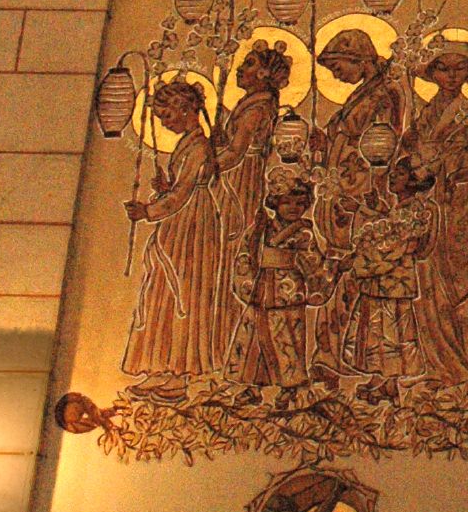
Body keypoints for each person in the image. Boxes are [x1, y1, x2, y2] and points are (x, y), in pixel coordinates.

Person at [310, 26, 409, 376]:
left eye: (340, 68)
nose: (337, 76)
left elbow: (382, 147)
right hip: (343, 194)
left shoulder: (384, 93)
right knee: (337, 271)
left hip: (360, 198)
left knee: (351, 272)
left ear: (359, 59)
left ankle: (339, 354)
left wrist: (368, 196)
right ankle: (328, 352)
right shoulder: (366, 93)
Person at [406, 39, 468, 381]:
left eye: (458, 68)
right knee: (430, 274)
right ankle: (439, 361)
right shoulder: (425, 113)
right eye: (443, 68)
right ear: (432, 73)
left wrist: (453, 160)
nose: (450, 75)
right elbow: (411, 147)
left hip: (463, 201)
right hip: (430, 202)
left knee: (465, 274)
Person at [123, 79, 223, 387]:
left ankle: (180, 371)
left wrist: (147, 212)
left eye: (167, 116)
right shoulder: (188, 143)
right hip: (180, 224)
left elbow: (182, 195)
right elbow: (179, 189)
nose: (165, 124)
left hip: (192, 226)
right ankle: (160, 366)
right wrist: (165, 189)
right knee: (162, 289)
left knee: (184, 289)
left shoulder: (199, 147)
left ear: (184, 109)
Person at [214, 38, 294, 358]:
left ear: (263, 74)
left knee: (231, 250)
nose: (239, 71)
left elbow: (234, 153)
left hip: (239, 181)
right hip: (238, 176)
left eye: (247, 65)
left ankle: (226, 339)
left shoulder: (258, 106)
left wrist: (201, 169)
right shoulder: (254, 103)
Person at [225, 170, 332, 404]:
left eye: (299, 203)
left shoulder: (304, 232)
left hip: (288, 292)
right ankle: (254, 387)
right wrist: (248, 279)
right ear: (275, 203)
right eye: (286, 202)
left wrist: (319, 281)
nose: (293, 208)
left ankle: (289, 388)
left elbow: (313, 262)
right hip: (262, 289)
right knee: (255, 339)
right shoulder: (261, 228)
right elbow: (246, 254)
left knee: (288, 340)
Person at [340, 157, 437, 403]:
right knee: (381, 329)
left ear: (414, 181)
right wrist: (370, 211)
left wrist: (356, 260)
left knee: (387, 330)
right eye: (393, 172)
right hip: (386, 279)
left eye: (401, 174)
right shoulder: (402, 208)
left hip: (392, 280)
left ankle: (384, 380)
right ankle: (387, 384)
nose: (392, 177)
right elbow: (388, 230)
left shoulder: (413, 210)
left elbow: (394, 244)